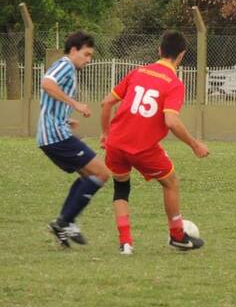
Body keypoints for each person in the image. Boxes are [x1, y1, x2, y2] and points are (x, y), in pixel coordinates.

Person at [100, 31, 209, 255]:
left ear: (159, 50)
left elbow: (107, 102)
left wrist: (104, 134)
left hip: (116, 143)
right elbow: (171, 120)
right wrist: (194, 144)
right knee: (171, 182)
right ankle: (177, 236)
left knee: (121, 188)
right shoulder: (174, 83)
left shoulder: (137, 72)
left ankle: (126, 243)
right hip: (142, 148)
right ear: (181, 56)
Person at [38, 31, 111, 248]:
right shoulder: (66, 64)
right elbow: (47, 84)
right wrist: (75, 104)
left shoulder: (65, 65)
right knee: (102, 173)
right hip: (55, 136)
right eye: (86, 54)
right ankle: (65, 221)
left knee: (89, 175)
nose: (88, 60)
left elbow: (48, 95)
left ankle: (65, 222)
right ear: (73, 50)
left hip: (53, 134)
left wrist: (64, 117)